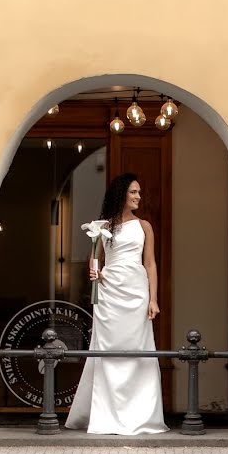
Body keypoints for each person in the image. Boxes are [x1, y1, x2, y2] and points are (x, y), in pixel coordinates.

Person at [65, 173, 169, 435]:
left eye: (139, 193)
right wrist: (95, 272)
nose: (138, 197)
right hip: (109, 292)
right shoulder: (104, 226)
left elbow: (150, 264)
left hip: (136, 293)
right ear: (121, 193)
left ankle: (139, 414)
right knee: (108, 349)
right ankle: (106, 415)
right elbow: (95, 259)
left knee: (137, 349)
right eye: (133, 192)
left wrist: (153, 298)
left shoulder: (144, 226)